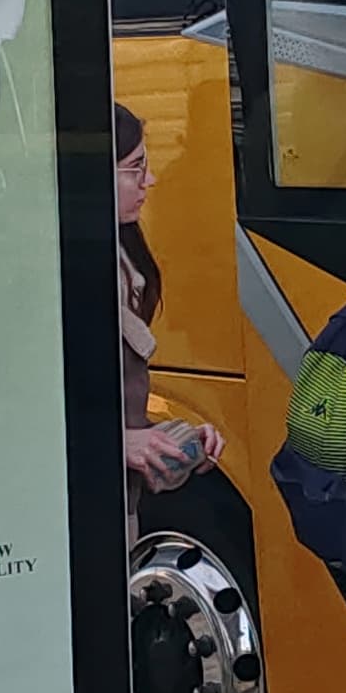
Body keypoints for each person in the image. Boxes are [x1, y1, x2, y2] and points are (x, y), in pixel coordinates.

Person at [116, 104, 218, 500]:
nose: (150, 180)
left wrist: (184, 444)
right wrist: (116, 441)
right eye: (135, 168)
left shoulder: (125, 261)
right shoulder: (51, 279)